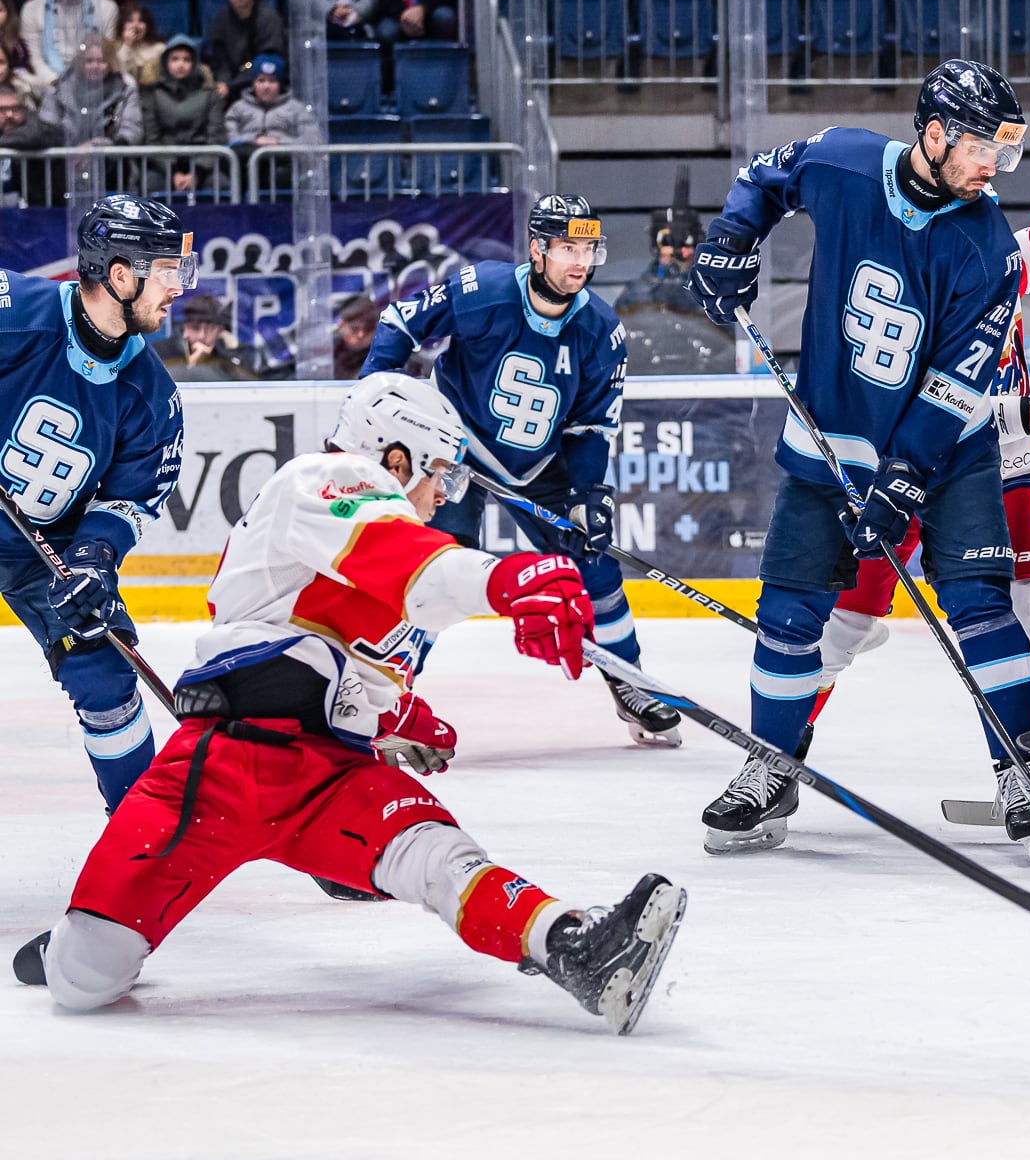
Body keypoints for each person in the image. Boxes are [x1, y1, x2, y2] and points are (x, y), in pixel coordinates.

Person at [10, 373, 685, 1034]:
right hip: (222, 767)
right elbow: (408, 563)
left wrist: (397, 718)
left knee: (440, 855)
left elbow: (362, 663)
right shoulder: (321, 479)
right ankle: (76, 941)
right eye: (440, 475)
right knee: (85, 977)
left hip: (329, 778)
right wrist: (510, 579)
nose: (442, 496)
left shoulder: (391, 548)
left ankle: (573, 946)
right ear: (396, 458)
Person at [686, 58, 1030, 856]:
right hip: (830, 443)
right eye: (982, 149)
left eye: (1004, 152)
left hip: (950, 454)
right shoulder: (844, 162)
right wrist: (730, 239)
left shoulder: (988, 245)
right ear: (935, 135)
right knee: (788, 614)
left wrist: (907, 473)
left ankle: (1017, 766)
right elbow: (764, 178)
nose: (994, 168)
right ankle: (771, 765)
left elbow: (960, 378)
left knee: (982, 607)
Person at [805, 185, 1030, 784]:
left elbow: (1024, 255)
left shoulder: (992, 262)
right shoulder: (905, 291)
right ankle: (777, 754)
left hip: (995, 478)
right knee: (838, 627)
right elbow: (943, 416)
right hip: (900, 477)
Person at [359, 196, 677, 747]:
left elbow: (591, 426)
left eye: (589, 250)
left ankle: (629, 681)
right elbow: (400, 322)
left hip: (541, 463)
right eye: (568, 248)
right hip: (453, 450)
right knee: (433, 568)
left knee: (595, 568)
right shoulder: (482, 289)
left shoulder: (601, 329)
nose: (580, 261)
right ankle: (387, 696)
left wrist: (589, 493)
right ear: (537, 249)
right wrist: (376, 392)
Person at [0, 196, 190, 813]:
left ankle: (139, 837)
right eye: (167, 272)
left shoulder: (151, 395)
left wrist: (93, 559)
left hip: (42, 548)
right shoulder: (14, 309)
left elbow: (133, 497)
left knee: (105, 672)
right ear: (120, 275)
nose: (178, 288)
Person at [139, 33, 224, 193]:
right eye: (175, 59)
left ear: (195, 63)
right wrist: (173, 172)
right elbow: (151, 139)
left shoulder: (209, 93)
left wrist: (197, 173)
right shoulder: (152, 93)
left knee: (221, 184)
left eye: (187, 60)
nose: (180, 65)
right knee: (149, 184)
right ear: (166, 62)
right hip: (164, 164)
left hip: (202, 164)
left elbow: (216, 137)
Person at [19, 0, 117, 85]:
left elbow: (107, 55)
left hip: (93, 76)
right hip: (49, 81)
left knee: (129, 82)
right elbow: (35, 59)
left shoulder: (107, 7)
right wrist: (56, 83)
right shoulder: (31, 9)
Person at [203, 0, 284, 101]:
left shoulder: (269, 19)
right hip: (231, 83)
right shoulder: (220, 20)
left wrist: (234, 82)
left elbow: (265, 59)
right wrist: (224, 82)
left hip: (262, 83)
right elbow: (221, 61)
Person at [37, 35, 140, 146]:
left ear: (110, 63)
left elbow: (131, 130)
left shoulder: (126, 92)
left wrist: (101, 145)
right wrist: (75, 149)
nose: (95, 66)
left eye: (101, 61)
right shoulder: (56, 91)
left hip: (111, 153)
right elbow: (47, 127)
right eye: (89, 61)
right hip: (65, 153)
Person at [614, 210, 701, 318]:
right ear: (656, 248)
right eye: (667, 242)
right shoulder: (636, 293)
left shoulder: (711, 292)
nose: (679, 251)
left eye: (687, 242)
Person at [157, 293, 256, 380]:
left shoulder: (242, 355)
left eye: (210, 329)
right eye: (195, 328)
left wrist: (232, 354)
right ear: (185, 328)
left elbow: (254, 385)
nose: (202, 335)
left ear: (220, 330)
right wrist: (195, 365)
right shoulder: (161, 352)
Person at [223, 51, 312, 147]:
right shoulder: (237, 108)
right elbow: (227, 137)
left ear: (280, 84)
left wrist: (279, 142)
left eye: (272, 81)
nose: (266, 86)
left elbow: (312, 140)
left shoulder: (296, 109)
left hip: (285, 156)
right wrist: (254, 140)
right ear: (253, 83)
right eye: (261, 80)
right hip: (246, 155)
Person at [113, 1, 164, 83]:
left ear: (147, 25)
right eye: (130, 21)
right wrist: (127, 45)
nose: (135, 25)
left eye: (140, 21)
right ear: (122, 25)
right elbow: (119, 75)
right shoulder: (114, 48)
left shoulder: (159, 48)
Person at [330, 290, 379, 376]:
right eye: (354, 328)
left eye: (368, 328)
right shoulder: (328, 351)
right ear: (341, 325)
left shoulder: (383, 355)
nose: (361, 335)